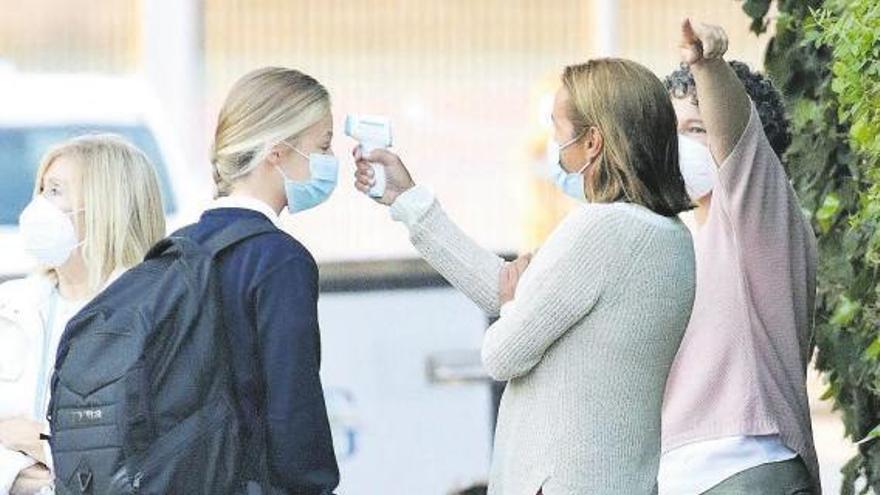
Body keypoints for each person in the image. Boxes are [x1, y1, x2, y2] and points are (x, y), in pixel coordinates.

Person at [354, 58, 696, 494]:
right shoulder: (671, 237)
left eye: (558, 130)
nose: (554, 145)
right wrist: (408, 201)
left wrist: (516, 302)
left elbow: (502, 352)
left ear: (592, 141)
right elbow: (508, 292)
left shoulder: (600, 230)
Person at [657, 20, 820, 494]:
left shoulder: (759, 216)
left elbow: (736, 135)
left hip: (746, 469)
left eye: (696, 128)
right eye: (672, 131)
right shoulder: (679, 233)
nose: (679, 146)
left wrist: (707, 67)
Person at [182, 67, 338, 493]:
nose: (330, 161)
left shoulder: (179, 248)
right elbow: (293, 403)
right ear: (277, 152)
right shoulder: (279, 260)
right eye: (322, 147)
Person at [0, 135, 166, 495]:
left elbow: (144, 457)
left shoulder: (152, 318)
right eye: (42, 189)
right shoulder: (9, 306)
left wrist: (36, 442)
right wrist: (17, 478)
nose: (38, 206)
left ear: (106, 206)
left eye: (56, 191)